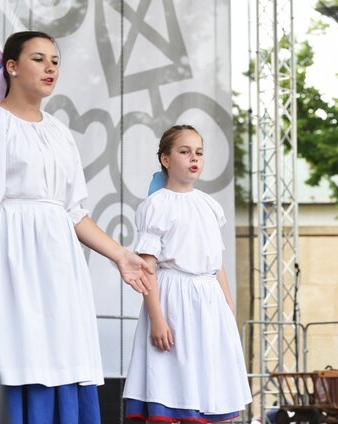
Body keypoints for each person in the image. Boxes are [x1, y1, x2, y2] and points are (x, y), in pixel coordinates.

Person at [0, 31, 152, 423]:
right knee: (11, 348)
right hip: (8, 256)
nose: (50, 68)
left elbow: (74, 212)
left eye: (55, 61)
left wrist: (120, 255)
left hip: (56, 263)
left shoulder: (60, 132)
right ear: (11, 67)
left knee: (59, 351)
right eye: (39, 59)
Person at [122, 125, 252, 422]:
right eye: (184, 152)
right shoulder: (156, 205)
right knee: (171, 385)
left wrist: (227, 304)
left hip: (207, 301)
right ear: (165, 159)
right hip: (173, 300)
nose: (194, 158)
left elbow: (216, 262)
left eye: (199, 152)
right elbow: (147, 267)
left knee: (204, 386)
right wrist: (157, 319)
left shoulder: (209, 205)